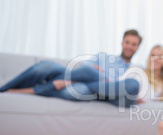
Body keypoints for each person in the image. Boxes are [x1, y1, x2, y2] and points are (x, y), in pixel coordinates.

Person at [0, 29, 143, 107]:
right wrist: (73, 80)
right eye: (127, 42)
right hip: (80, 80)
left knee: (81, 89)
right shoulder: (103, 56)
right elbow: (82, 70)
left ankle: (64, 83)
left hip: (105, 93)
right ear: (122, 42)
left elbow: (130, 90)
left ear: (138, 47)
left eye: (134, 44)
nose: (129, 46)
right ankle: (4, 89)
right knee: (46, 66)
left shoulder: (135, 69)